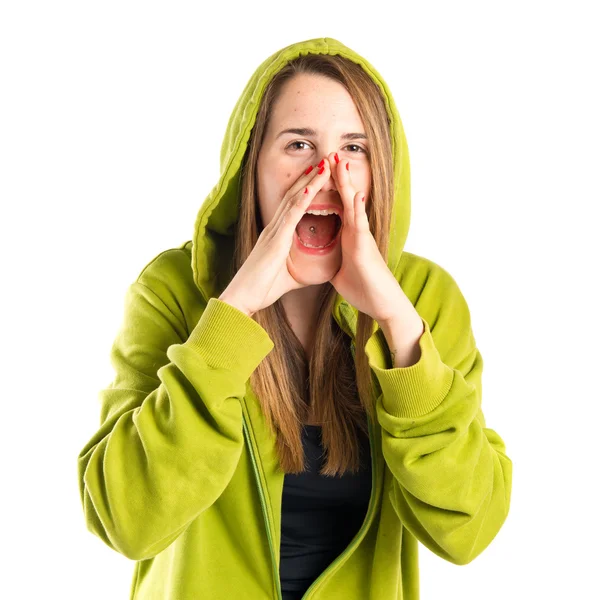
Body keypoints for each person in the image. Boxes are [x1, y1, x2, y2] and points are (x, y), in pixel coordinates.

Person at [77, 37, 513, 600]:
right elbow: (125, 520)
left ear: (380, 169)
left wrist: (398, 328)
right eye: (299, 144)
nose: (327, 173)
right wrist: (234, 314)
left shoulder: (424, 299)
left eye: (353, 147)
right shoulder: (171, 291)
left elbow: (469, 528)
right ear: (250, 166)